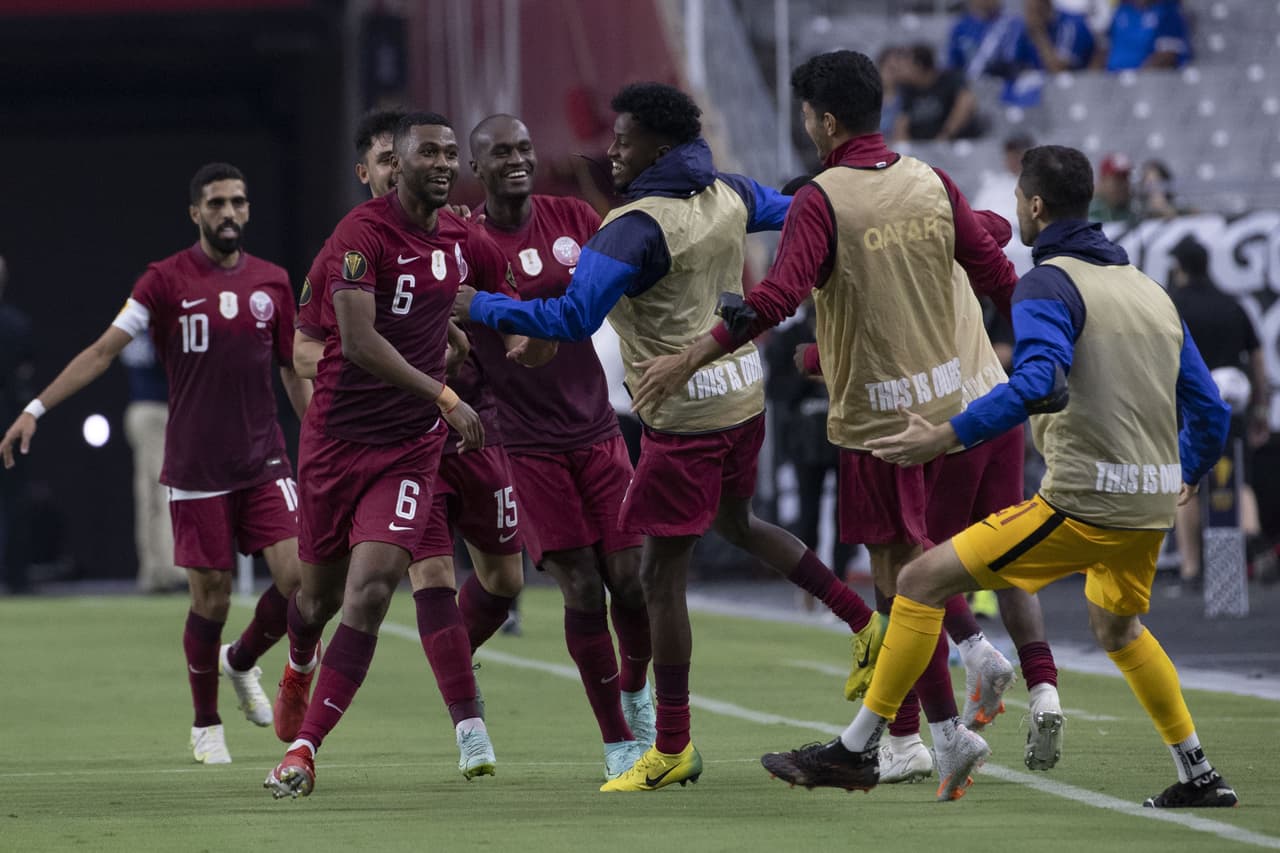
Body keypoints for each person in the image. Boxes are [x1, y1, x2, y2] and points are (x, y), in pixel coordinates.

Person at [761, 144, 1238, 810]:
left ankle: (857, 747)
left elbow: (1041, 380)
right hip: (1151, 503)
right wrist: (1183, 470)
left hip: (1081, 500)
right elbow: (1211, 410)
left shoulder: (1048, 283)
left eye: (1020, 198)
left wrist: (947, 432)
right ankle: (1198, 772)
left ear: (1036, 206)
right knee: (1121, 631)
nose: (1016, 209)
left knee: (918, 579)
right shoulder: (1149, 290)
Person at [456, 82, 874, 793]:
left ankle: (670, 740)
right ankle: (865, 624)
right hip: (743, 399)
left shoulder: (630, 228)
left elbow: (568, 317)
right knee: (738, 522)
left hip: (681, 419)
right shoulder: (730, 191)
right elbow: (805, 209)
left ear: (659, 146)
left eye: (623, 138)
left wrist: (482, 304)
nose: (611, 150)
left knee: (655, 578)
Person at [629, 50, 1018, 801]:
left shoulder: (821, 198)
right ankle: (930, 734)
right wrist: (1046, 345)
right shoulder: (930, 179)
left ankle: (908, 738)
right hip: (951, 412)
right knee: (917, 575)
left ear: (826, 120)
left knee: (898, 580)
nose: (807, 126)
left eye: (808, 115)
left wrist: (689, 356)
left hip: (879, 419)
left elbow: (774, 296)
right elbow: (996, 269)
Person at [264, 111, 551, 800]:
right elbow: (357, 341)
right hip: (337, 440)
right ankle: (300, 652)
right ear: (394, 163)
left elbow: (479, 305)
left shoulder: (459, 234)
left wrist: (528, 334)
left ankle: (305, 750)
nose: (442, 162)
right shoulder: (357, 237)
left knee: (371, 588)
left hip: (409, 447)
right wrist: (446, 392)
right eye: (428, 152)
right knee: (317, 596)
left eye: (451, 152)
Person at [1, 163, 311, 764]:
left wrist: (321, 434)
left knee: (301, 583)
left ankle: (241, 660)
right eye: (216, 203)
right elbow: (101, 351)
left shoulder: (273, 283)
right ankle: (205, 723)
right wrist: (37, 407)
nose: (229, 213)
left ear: (248, 210)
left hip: (265, 458)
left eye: (238, 202)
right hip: (196, 466)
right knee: (212, 599)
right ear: (195, 212)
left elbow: (291, 371)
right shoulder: (163, 281)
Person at [468, 113, 655, 780]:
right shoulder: (467, 242)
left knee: (631, 580)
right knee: (580, 585)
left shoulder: (573, 215)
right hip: (528, 442)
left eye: (523, 147)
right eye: (501, 152)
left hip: (599, 428)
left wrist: (539, 326)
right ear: (477, 167)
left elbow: (600, 296)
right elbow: (452, 319)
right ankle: (617, 741)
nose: (517, 159)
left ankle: (639, 695)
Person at [1168, 234, 1270, 588]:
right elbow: (1257, 358)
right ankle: (1253, 541)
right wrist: (1260, 407)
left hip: (1190, 404)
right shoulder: (1232, 304)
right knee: (1237, 476)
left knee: (1187, 482)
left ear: (1180, 267)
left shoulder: (1173, 304)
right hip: (1231, 404)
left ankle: (1192, 569)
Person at [119, 330, 185, 593]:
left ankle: (152, 570)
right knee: (167, 489)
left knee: (147, 493)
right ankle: (171, 570)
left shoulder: (132, 324)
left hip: (139, 409)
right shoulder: (160, 324)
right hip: (160, 409)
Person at [0, 253, 35, 594]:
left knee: (14, 499)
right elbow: (25, 374)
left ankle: (15, 575)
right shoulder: (16, 323)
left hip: (10, 420)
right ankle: (15, 577)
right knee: (12, 499)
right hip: (9, 418)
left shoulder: (16, 323)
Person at [894, 43, 985, 143]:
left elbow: (966, 102)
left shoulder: (950, 78)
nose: (900, 71)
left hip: (957, 145)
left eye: (905, 66)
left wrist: (946, 135)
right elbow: (902, 121)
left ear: (918, 66)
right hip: (922, 149)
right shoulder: (907, 88)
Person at [1095, 0, 1192, 72]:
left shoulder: (1168, 12)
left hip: (1148, 84)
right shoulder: (1121, 10)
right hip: (1112, 83)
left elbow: (1168, 56)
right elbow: (1104, 50)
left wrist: (1135, 80)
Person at [1012, 0, 1095, 74]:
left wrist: (1039, 35)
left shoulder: (1071, 24)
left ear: (1046, 4)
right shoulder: (1026, 28)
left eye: (1034, 10)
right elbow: (1014, 67)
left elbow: (1058, 70)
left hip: (1079, 87)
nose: (1031, 17)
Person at [947, 0, 1020, 81]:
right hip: (971, 87)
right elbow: (952, 66)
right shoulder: (960, 28)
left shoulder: (1013, 25)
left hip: (1006, 85)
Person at [1087, 152, 1135, 224]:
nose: (1123, 185)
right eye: (1117, 179)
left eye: (1125, 178)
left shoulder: (1136, 210)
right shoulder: (1086, 212)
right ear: (1103, 180)